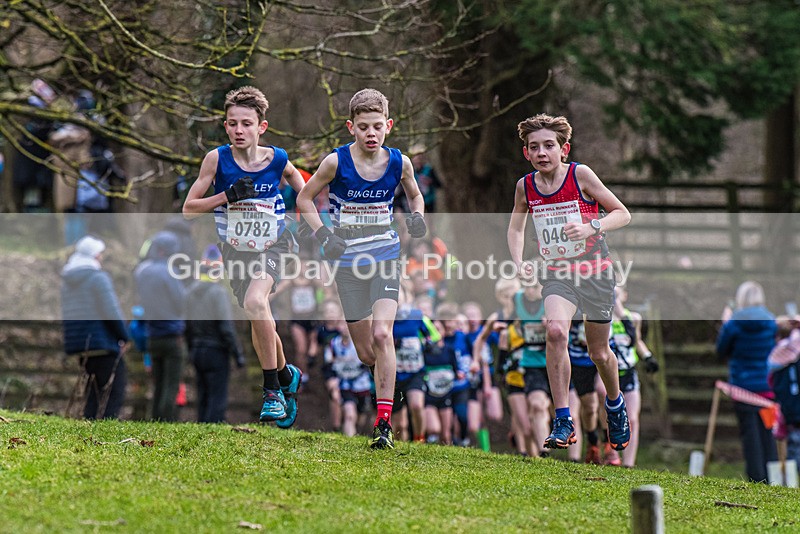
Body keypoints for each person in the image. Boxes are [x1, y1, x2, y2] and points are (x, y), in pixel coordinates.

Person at [296, 88, 426, 449]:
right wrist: (324, 235)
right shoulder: (335, 162)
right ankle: (386, 381)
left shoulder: (399, 163)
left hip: (385, 256)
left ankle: (383, 423)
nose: (371, 134)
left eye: (377, 127)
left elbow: (415, 194)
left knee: (383, 335)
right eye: (364, 127)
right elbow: (304, 198)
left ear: (389, 126)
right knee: (367, 352)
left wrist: (417, 216)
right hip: (348, 262)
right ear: (351, 127)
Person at [507, 113, 631, 451]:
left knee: (599, 352)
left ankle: (615, 405)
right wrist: (518, 262)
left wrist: (591, 227)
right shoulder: (525, 187)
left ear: (564, 149)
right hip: (557, 273)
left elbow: (622, 213)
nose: (542, 153)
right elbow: (516, 228)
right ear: (526, 153)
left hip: (595, 273)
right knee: (555, 331)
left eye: (549, 145)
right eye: (534, 147)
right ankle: (563, 418)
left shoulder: (580, 175)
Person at [182, 86, 304, 426]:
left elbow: (300, 184)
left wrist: (311, 220)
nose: (239, 130)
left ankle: (272, 392)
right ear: (225, 126)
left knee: (255, 301)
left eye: (247, 124)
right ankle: (286, 375)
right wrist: (226, 195)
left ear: (261, 127)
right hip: (236, 250)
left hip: (274, 244)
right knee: (256, 311)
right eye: (233, 123)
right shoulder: (216, 159)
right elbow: (189, 209)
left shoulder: (277, 159)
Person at [716, 280, 778, 483]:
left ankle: (757, 479)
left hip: (742, 388)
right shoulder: (771, 321)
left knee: (750, 436)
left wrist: (725, 325)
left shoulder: (733, 323)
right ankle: (773, 479)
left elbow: (721, 351)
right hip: (767, 388)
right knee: (768, 435)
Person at [61, 235, 128, 419]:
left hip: (81, 345)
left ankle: (89, 426)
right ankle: (106, 429)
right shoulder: (98, 278)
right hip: (102, 343)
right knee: (113, 392)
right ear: (95, 255)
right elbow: (111, 312)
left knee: (93, 394)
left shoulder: (68, 280)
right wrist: (124, 336)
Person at [595, 287, 659, 467]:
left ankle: (629, 463)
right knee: (607, 406)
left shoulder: (633, 318)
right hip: (608, 374)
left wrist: (648, 357)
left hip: (628, 373)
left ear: (625, 296)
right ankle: (611, 452)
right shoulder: (601, 318)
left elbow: (637, 341)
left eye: (617, 294)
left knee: (632, 418)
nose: (614, 298)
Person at [185, 245, 247, 423]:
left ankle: (202, 427)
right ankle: (213, 431)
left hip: (197, 349)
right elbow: (226, 327)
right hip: (216, 351)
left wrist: (191, 349)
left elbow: (186, 326)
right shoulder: (219, 293)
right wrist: (237, 354)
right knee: (217, 396)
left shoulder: (189, 293)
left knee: (203, 394)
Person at [134, 231, 187, 422]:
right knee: (171, 385)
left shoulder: (142, 271)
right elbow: (181, 302)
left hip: (152, 336)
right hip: (172, 337)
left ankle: (154, 420)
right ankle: (166, 422)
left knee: (158, 384)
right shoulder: (170, 272)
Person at [326, 321, 374, 437]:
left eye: (347, 325)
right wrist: (332, 380)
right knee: (350, 415)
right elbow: (328, 365)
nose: (345, 328)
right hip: (345, 384)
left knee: (360, 418)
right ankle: (348, 439)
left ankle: (355, 433)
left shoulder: (361, 343)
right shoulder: (333, 344)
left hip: (362, 385)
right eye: (342, 324)